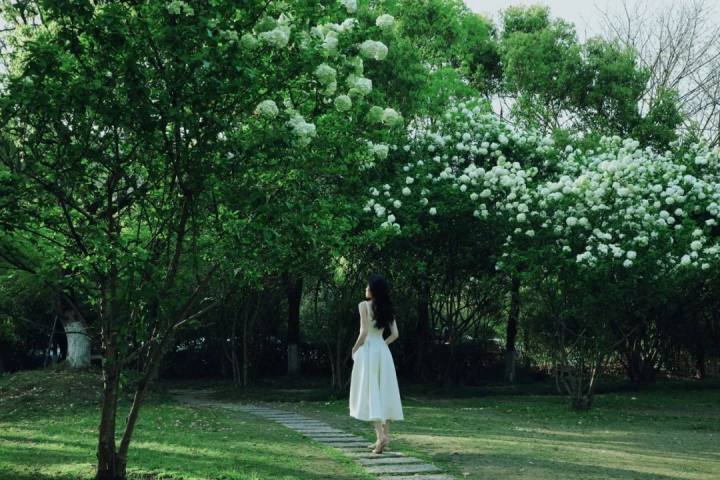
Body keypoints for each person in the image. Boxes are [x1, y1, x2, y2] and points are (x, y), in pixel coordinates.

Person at [349, 273, 404, 454]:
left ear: (373, 290)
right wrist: (382, 345)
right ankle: (383, 437)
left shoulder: (364, 305)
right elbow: (395, 334)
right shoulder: (388, 308)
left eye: (368, 287)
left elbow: (364, 332)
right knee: (384, 391)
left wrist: (354, 348)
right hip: (383, 351)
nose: (366, 289)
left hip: (369, 351)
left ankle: (381, 437)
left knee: (371, 391)